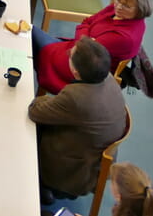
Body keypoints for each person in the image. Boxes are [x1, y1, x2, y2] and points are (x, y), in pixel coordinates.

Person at [30, 37, 129, 201]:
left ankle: (43, 186)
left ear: (75, 72)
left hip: (72, 171)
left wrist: (47, 100)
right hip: (91, 161)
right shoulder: (108, 78)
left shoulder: (76, 97)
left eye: (70, 56)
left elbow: (35, 111)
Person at [34, 0, 152, 94]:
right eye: (118, 0)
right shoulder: (116, 10)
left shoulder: (124, 37)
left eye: (126, 6)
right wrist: (85, 37)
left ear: (140, 10)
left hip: (78, 68)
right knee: (29, 38)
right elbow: (86, 21)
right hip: (72, 50)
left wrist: (84, 36)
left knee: (29, 42)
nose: (119, 6)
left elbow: (84, 48)